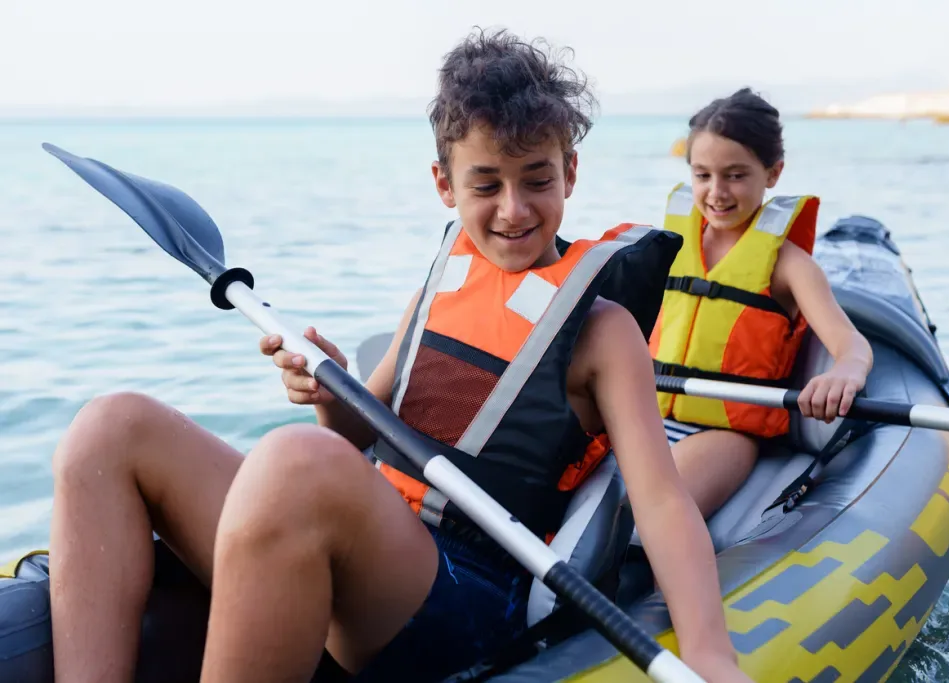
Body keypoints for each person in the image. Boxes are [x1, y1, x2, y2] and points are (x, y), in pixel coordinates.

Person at [48, 28, 751, 683]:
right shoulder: (444, 281)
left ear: (569, 172)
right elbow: (363, 434)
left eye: (537, 179)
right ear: (445, 184)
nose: (514, 209)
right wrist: (330, 390)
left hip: (470, 593)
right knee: (110, 428)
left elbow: (660, 502)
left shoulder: (604, 331)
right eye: (485, 184)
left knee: (295, 462)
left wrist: (709, 650)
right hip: (373, 548)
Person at [648, 88, 874, 519]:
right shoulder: (669, 244)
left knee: (660, 517)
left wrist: (845, 371)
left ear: (772, 174)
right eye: (702, 175)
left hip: (725, 433)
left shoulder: (790, 266)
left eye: (735, 175)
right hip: (646, 410)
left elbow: (852, 345)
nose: (716, 192)